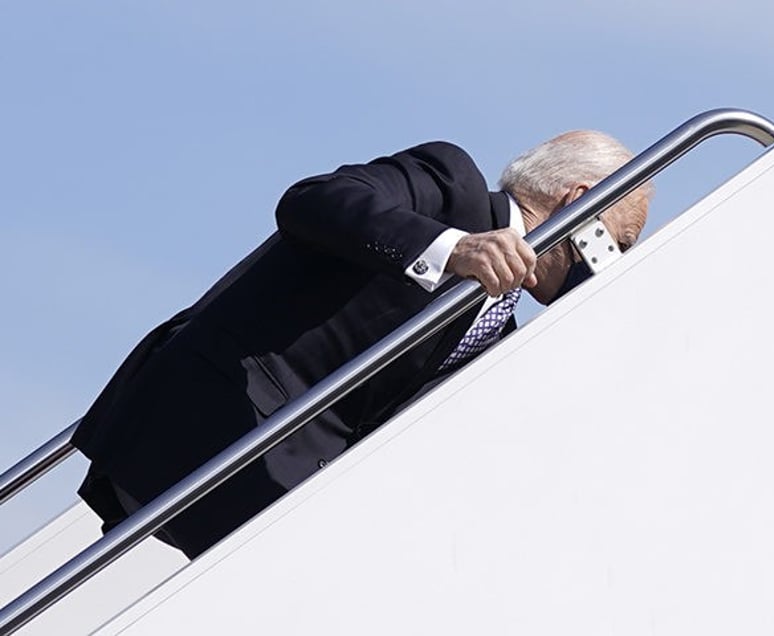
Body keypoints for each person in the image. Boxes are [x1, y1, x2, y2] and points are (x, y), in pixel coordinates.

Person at [71, 131, 651, 559]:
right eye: (617, 243)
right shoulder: (452, 188)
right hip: (219, 421)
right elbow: (313, 201)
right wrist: (450, 249)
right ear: (580, 199)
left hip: (287, 490)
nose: (612, 265)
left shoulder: (500, 333)